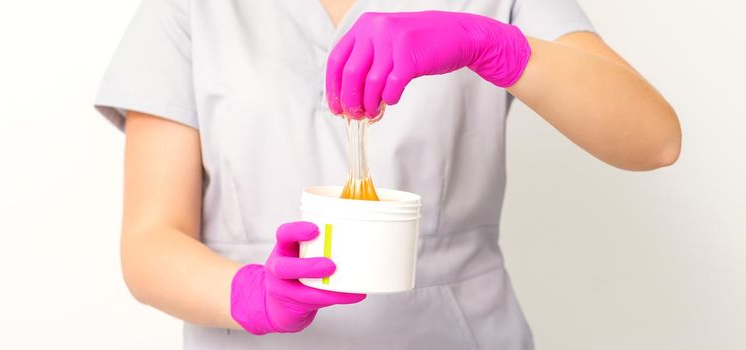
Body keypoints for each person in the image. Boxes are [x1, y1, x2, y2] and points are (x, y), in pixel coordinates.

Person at [94, 0, 681, 348]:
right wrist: (249, 294)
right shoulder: (192, 9)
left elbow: (654, 139)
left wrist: (495, 46)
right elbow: (150, 242)